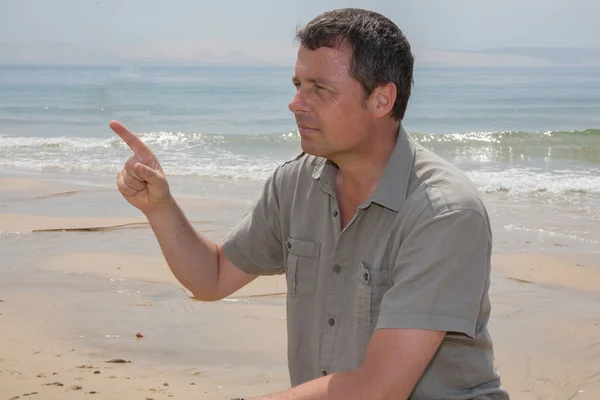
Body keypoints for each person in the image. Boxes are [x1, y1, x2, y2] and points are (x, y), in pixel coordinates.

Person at [110, 7, 509, 400]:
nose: (296, 103)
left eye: (319, 89)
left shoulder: (444, 213)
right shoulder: (296, 183)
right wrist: (159, 207)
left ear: (382, 100)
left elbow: (379, 390)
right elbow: (211, 277)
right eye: (298, 85)